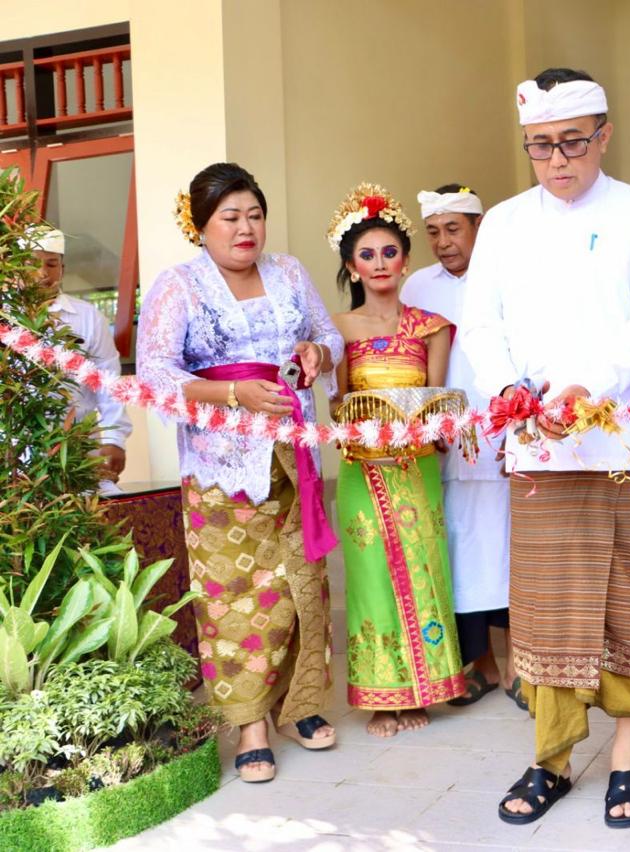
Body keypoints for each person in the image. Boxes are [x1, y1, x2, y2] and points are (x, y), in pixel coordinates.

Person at [462, 68, 630, 829]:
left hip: (618, 439)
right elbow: (481, 323)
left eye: (572, 144)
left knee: (629, 599)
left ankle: (627, 758)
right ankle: (550, 758)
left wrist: (586, 388)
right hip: (536, 445)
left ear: (604, 136)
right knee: (548, 606)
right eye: (540, 147)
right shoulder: (505, 223)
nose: (558, 161)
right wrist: (514, 391)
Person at [138, 162, 342, 783]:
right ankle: (251, 722)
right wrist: (232, 397)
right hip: (220, 467)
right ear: (202, 226)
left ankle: (300, 704)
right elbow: (154, 374)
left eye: (254, 214)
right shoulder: (180, 286)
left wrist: (317, 352)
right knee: (236, 596)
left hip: (293, 455)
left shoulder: (288, 272)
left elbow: (328, 331)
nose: (245, 228)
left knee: (303, 582)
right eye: (230, 217)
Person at [328, 183, 467, 737]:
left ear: (406, 260)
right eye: (367, 255)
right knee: (371, 578)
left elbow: (436, 402)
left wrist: (425, 430)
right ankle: (382, 696)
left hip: (416, 469)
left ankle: (422, 690)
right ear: (351, 265)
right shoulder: (337, 332)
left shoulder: (431, 327)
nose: (380, 263)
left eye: (390, 252)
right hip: (362, 472)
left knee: (425, 571)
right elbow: (337, 407)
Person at [400, 184, 520, 710]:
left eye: (454, 229)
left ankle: (521, 663)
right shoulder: (416, 287)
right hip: (447, 442)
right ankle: (481, 665)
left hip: (503, 433)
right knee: (459, 553)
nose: (443, 242)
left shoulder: (509, 272)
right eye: (433, 232)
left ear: (479, 226)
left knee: (512, 548)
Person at [27, 226, 131, 491]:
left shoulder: (87, 317)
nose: (42, 273)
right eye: (32, 264)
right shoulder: (6, 319)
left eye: (51, 264)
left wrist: (114, 438)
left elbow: (109, 383)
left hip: (78, 446)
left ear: (62, 267)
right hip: (18, 449)